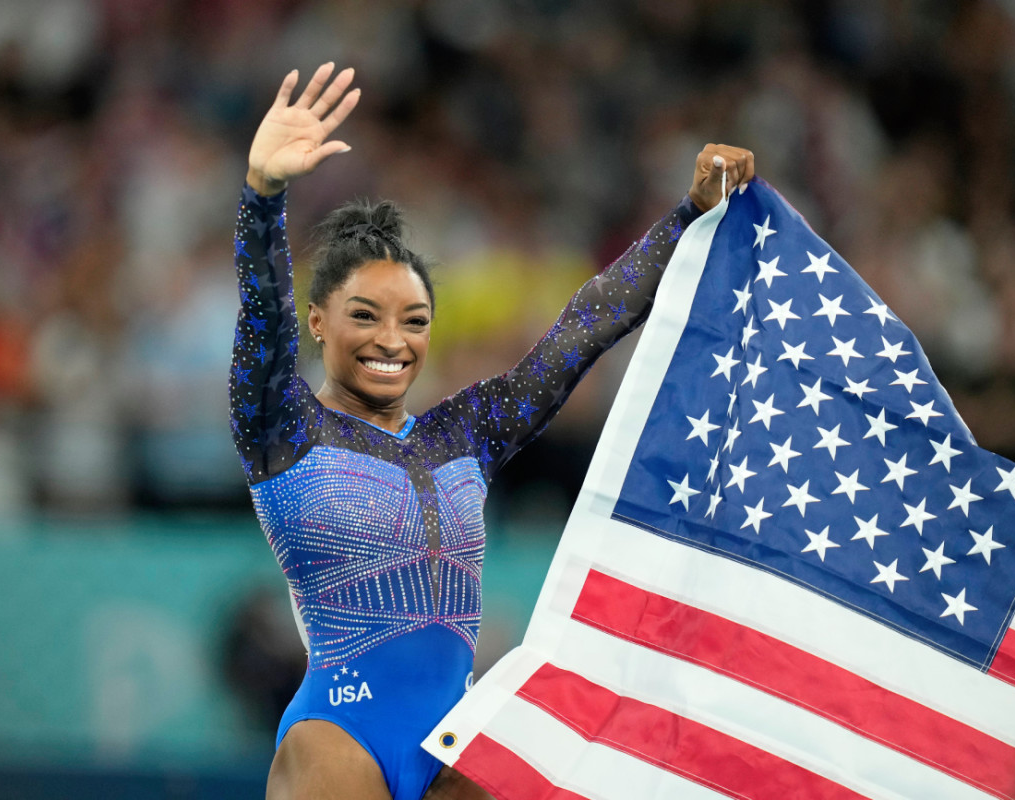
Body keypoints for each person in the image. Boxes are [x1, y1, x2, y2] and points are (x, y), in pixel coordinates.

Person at [230, 62, 753, 800]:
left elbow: (584, 329)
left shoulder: (462, 434)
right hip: (339, 737)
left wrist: (687, 216)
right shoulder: (283, 428)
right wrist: (264, 194)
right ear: (318, 323)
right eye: (365, 316)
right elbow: (261, 314)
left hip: (460, 741)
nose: (393, 339)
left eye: (413, 320)